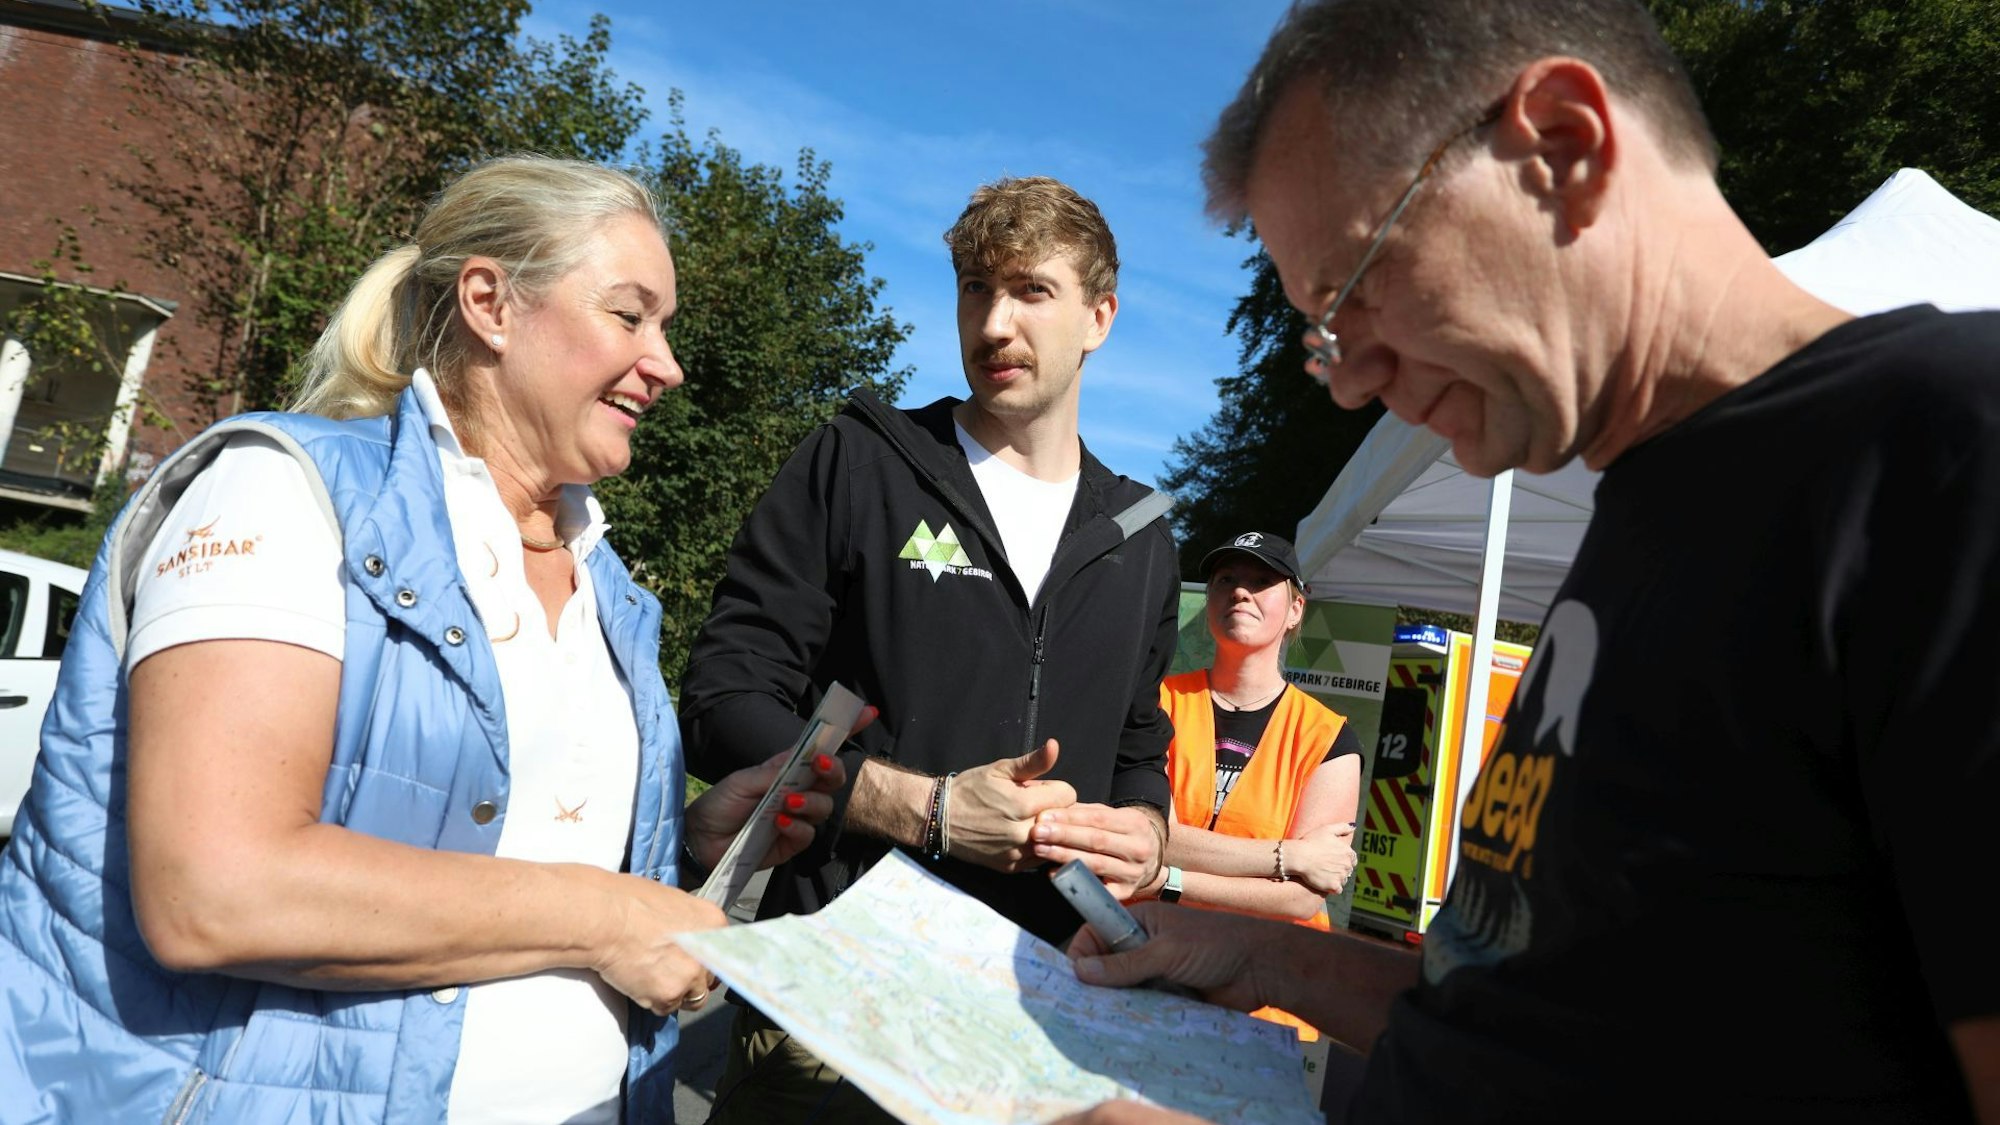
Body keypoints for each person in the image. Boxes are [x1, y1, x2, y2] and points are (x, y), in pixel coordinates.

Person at [1059, 0, 2000, 1121]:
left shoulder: (1947, 451)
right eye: (1317, 331)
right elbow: (1552, 1021)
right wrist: (1265, 962)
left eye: (1354, 288)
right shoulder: (1645, 515)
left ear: (1560, 145)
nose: (1348, 378)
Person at [0, 154, 855, 1124]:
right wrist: (609, 917)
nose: (666, 364)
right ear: (490, 303)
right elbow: (216, 890)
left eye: (662, 325)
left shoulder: (608, 589)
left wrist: (689, 847)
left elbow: (500, 843)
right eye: (629, 315)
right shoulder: (284, 493)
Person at [679, 175, 1180, 1123]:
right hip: (836, 1001)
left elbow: (1140, 743)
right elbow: (724, 699)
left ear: (1100, 317)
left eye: (1031, 290)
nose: (994, 324)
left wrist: (1146, 832)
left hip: (1048, 1016)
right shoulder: (859, 460)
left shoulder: (1142, 533)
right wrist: (928, 809)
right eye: (974, 289)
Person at [1157, 530, 1360, 1042]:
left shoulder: (1328, 736)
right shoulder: (1157, 705)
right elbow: (1155, 834)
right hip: (1149, 966)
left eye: (1261, 581)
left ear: (1295, 609)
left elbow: (1300, 900)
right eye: (1227, 579)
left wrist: (1165, 880)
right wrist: (1290, 856)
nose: (1240, 591)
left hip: (1263, 999)